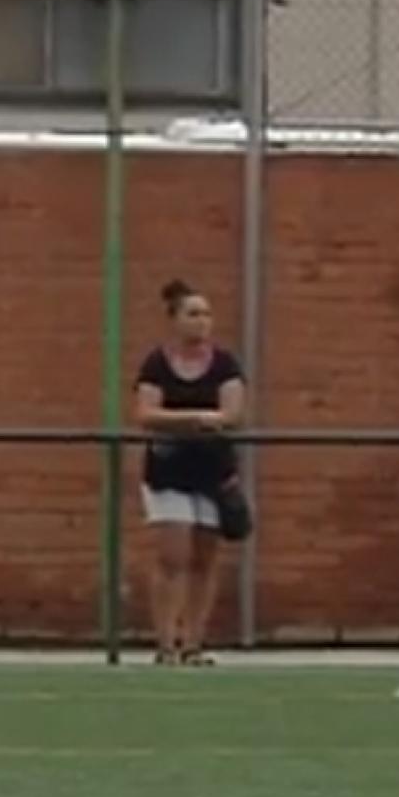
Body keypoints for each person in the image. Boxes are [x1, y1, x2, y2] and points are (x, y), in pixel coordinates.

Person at [133, 280, 245, 666]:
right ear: (175, 320)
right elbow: (146, 414)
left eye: (206, 314)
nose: (201, 321)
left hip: (212, 472)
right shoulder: (157, 364)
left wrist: (207, 422)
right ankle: (166, 643)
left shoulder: (225, 363)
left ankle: (194, 643)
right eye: (193, 314)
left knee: (204, 558)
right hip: (168, 470)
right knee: (172, 555)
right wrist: (196, 418)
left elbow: (232, 413)